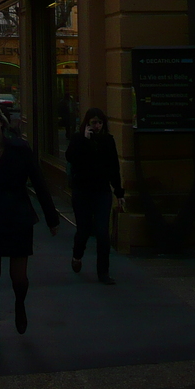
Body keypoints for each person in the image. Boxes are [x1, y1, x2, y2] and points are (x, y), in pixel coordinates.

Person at [0, 102, 60, 355]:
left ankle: (19, 303)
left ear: (2, 122)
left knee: (19, 278)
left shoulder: (19, 148)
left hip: (18, 218)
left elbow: (39, 182)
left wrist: (52, 218)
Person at [65, 107, 124, 284]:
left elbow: (114, 167)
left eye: (99, 123)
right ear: (87, 124)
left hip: (101, 192)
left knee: (102, 232)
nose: (97, 126)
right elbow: (70, 157)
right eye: (93, 123)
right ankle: (77, 254)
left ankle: (103, 272)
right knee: (83, 229)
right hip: (82, 191)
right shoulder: (78, 139)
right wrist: (84, 140)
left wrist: (119, 192)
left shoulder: (108, 141)